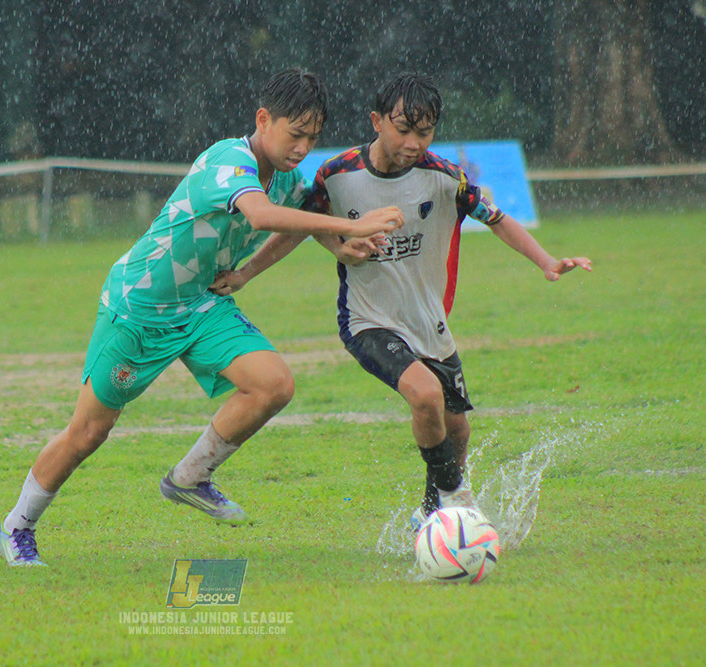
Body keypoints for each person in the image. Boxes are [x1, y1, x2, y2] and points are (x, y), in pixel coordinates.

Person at [0, 68, 405, 566]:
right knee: (88, 432)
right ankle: (16, 527)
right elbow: (262, 215)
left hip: (202, 303)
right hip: (140, 308)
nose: (302, 148)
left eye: (312, 138)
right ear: (263, 119)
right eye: (295, 134)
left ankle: (189, 477)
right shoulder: (228, 160)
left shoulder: (288, 179)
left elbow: (298, 221)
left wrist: (307, 255)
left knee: (273, 384)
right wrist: (351, 227)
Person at [210, 72, 592, 532]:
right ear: (377, 121)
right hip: (368, 319)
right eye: (404, 129)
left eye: (425, 132)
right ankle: (457, 502)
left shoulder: (445, 178)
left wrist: (547, 261)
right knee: (424, 394)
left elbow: (497, 219)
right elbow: (303, 227)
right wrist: (252, 271)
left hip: (429, 322)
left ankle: (432, 511)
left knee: (457, 427)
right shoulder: (338, 175)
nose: (414, 143)